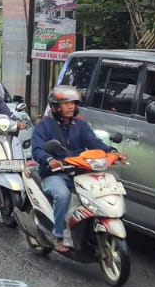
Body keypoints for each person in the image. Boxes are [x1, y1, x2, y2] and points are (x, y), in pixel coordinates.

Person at [30, 85, 111, 251]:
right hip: (55, 174)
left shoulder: (81, 125)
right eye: (65, 103)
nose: (70, 106)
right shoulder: (44, 126)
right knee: (63, 195)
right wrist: (49, 159)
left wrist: (112, 152)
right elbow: (37, 149)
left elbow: (94, 143)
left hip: (79, 172)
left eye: (73, 103)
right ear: (54, 107)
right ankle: (58, 235)